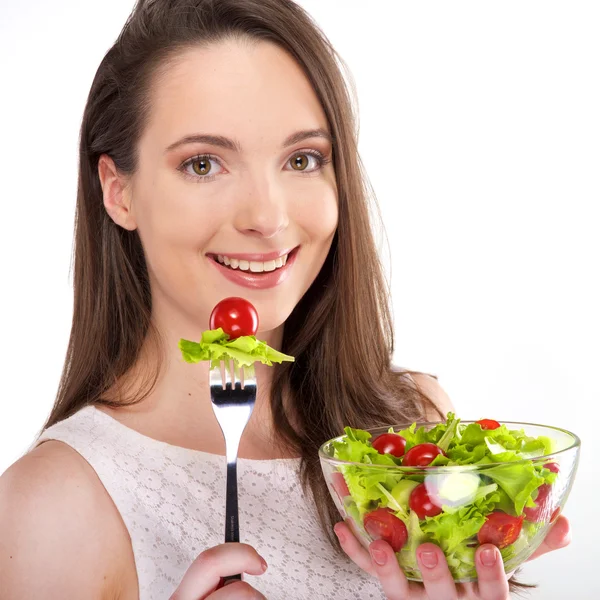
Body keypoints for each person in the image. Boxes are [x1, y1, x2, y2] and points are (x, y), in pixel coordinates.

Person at [0, 1, 571, 598]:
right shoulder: (53, 508)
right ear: (119, 192)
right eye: (203, 164)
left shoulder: (411, 429)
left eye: (302, 159)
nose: (268, 218)